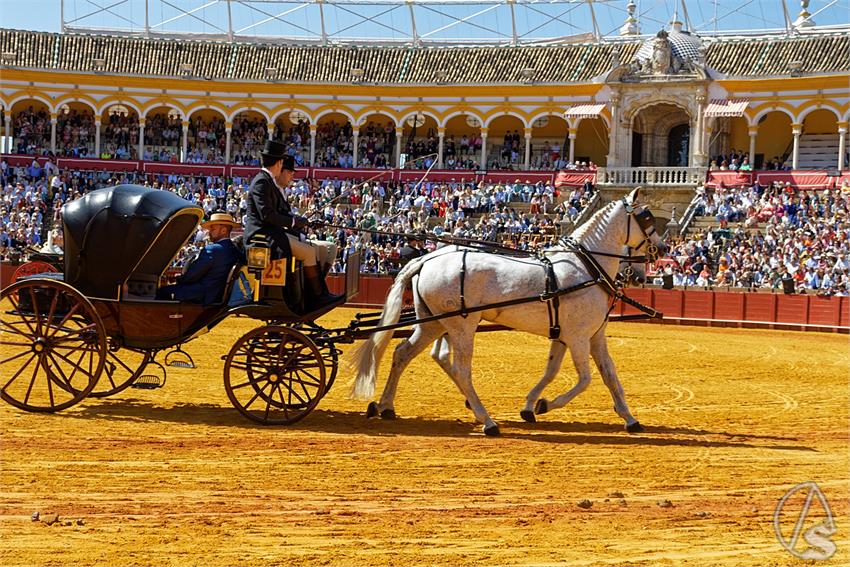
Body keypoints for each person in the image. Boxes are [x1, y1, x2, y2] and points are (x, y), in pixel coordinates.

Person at [243, 139, 341, 310]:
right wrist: (294, 221)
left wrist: (300, 222)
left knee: (316, 249)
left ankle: (314, 293)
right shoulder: (262, 181)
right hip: (263, 237)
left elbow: (278, 214)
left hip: (272, 234)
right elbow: (267, 215)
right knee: (309, 252)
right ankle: (316, 297)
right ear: (279, 162)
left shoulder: (266, 181)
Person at [156, 212, 241, 304]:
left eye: (213, 229)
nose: (209, 232)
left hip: (203, 295)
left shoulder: (212, 249)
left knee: (163, 291)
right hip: (217, 295)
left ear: (224, 230)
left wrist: (178, 279)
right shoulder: (235, 251)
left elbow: (192, 276)